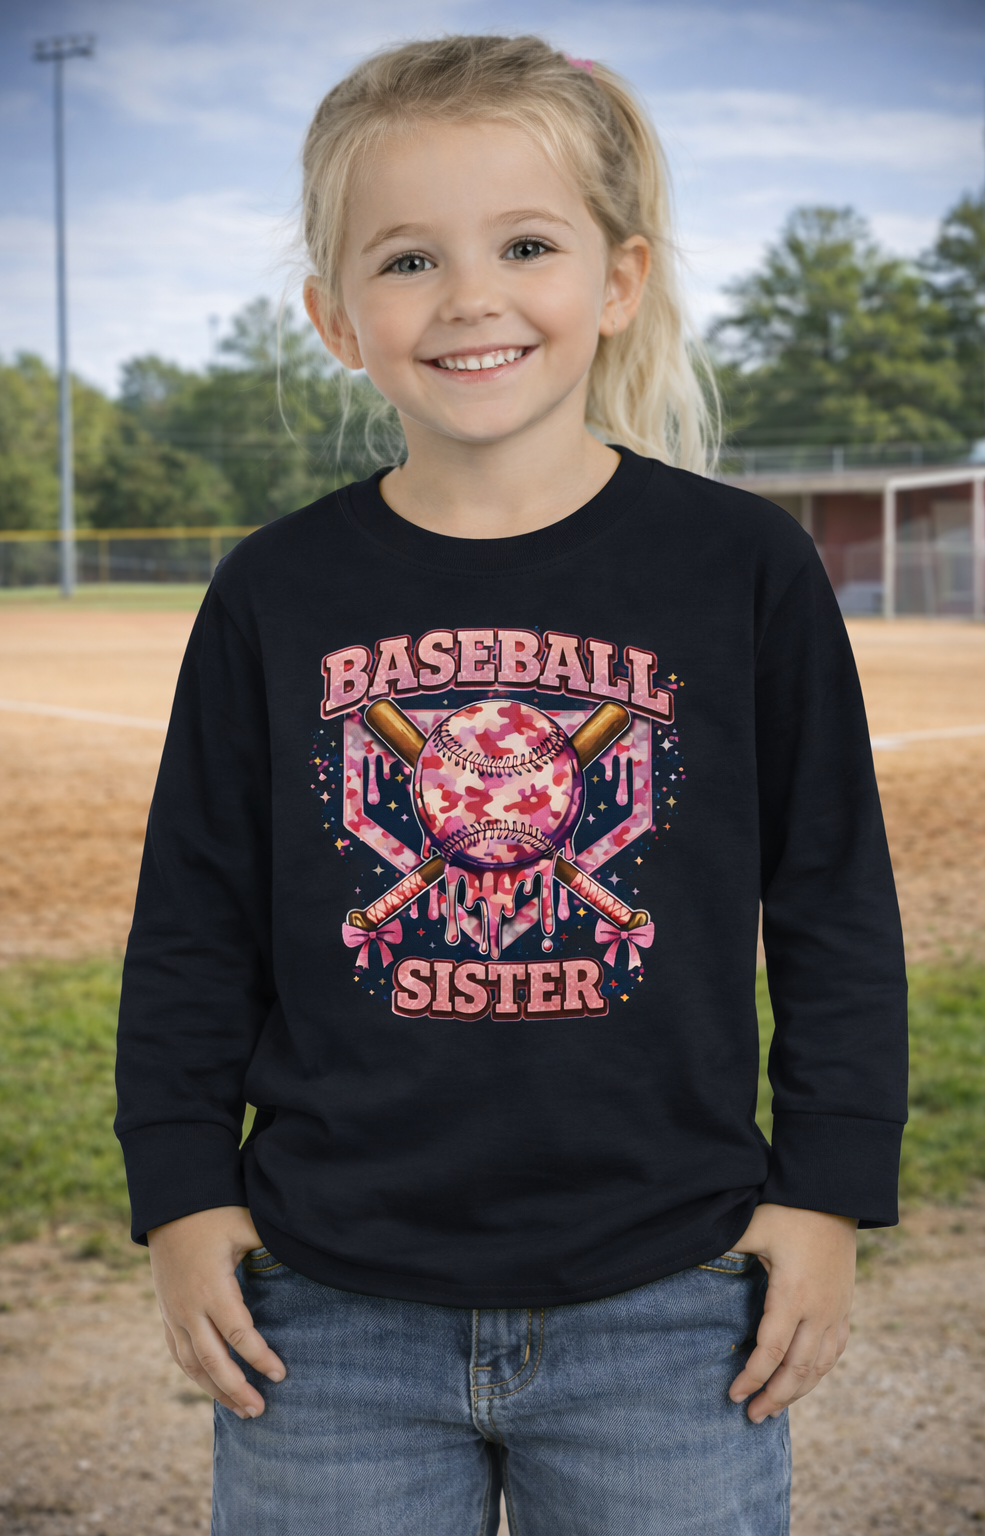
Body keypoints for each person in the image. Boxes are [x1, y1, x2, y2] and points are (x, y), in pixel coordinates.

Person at [115, 34, 907, 1536]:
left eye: (525, 245)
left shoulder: (744, 571)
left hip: (671, 1296)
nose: (470, 297)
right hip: (327, 1304)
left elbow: (834, 905)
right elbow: (193, 921)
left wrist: (825, 1193)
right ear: (335, 318)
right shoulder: (275, 593)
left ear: (615, 281)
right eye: (408, 259)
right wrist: (178, 1190)